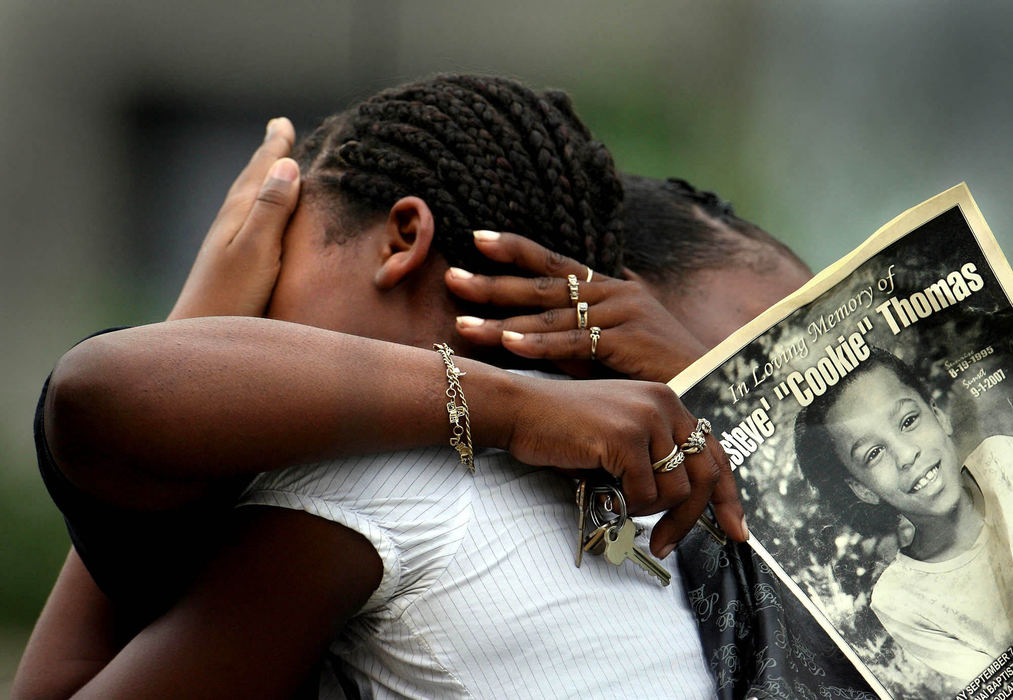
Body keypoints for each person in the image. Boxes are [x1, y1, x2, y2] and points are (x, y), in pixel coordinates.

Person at [15, 75, 748, 699]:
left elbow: (93, 394)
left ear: (402, 238)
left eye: (275, 257)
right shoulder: (641, 498)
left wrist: (196, 321)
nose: (258, 304)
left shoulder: (373, 482)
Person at [795, 347, 1013, 689]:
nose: (907, 454)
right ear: (862, 490)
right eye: (874, 453)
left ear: (939, 415)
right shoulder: (901, 598)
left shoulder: (1000, 460)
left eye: (909, 421)